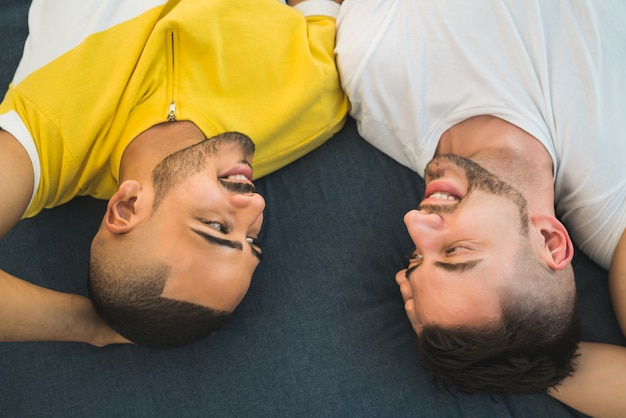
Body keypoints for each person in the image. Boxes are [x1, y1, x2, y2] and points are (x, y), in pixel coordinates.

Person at [0, 0, 347, 349]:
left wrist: (91, 327)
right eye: (252, 242)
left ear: (128, 207)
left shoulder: (50, 141)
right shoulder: (314, 100)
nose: (255, 205)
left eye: (216, 227)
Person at [335, 0, 626, 416]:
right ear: (550, 241)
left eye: (417, 255)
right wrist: (527, 365)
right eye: (455, 252)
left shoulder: (371, 73)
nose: (415, 221)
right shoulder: (615, 199)